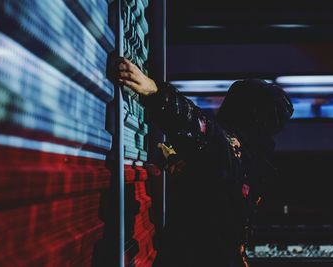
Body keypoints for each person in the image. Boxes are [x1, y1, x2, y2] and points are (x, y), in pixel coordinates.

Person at [117, 58, 294, 267]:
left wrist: (155, 91)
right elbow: (215, 185)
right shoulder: (257, 159)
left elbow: (199, 127)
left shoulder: (231, 148)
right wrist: (177, 160)